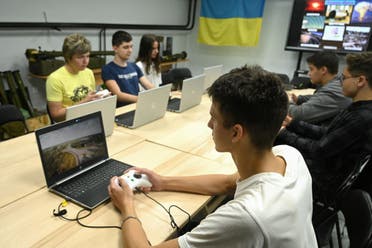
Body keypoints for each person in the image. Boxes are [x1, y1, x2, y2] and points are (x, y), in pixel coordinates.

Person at [108, 65, 318, 247]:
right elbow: (228, 183)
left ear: (236, 133)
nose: (209, 124)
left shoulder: (246, 216)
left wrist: (127, 206)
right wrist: (162, 182)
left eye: (214, 118)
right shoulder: (289, 156)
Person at [276, 52, 372, 245]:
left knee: (272, 154)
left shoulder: (362, 117)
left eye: (343, 78)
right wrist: (293, 124)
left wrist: (282, 135)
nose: (340, 82)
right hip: (331, 173)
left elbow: (319, 150)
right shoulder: (358, 108)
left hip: (325, 183)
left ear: (360, 80)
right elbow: (328, 134)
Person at [46, 33, 101, 122]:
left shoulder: (88, 72)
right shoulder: (54, 79)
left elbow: (91, 100)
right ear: (68, 58)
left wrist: (101, 98)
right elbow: (56, 115)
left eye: (87, 56)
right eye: (80, 57)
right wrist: (84, 102)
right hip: (69, 124)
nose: (85, 61)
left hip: (88, 119)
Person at [289, 51, 351, 125]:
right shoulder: (334, 83)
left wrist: (279, 104)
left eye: (311, 69)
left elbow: (298, 114)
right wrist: (299, 99)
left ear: (323, 70)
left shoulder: (332, 90)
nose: (309, 73)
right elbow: (319, 97)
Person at [101, 30, 154, 107]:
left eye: (131, 47)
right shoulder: (108, 69)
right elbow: (118, 95)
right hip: (122, 112)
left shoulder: (134, 66)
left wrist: (159, 94)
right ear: (115, 48)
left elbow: (148, 86)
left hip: (137, 107)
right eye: (126, 47)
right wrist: (142, 99)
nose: (130, 50)